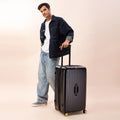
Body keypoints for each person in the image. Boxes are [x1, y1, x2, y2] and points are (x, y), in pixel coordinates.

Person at [32, 3, 74, 106]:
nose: (43, 12)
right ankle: (42, 100)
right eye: (41, 11)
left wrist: (67, 41)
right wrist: (42, 45)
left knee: (51, 77)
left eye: (45, 10)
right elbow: (45, 37)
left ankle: (63, 98)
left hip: (53, 53)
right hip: (43, 54)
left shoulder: (58, 21)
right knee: (42, 77)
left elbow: (69, 31)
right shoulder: (43, 24)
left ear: (49, 9)